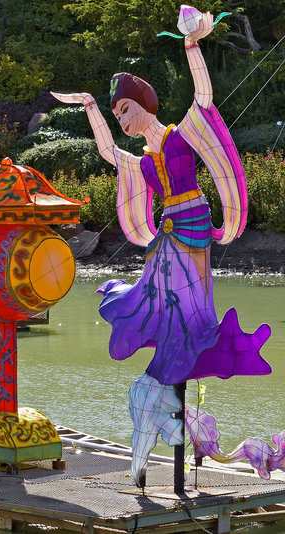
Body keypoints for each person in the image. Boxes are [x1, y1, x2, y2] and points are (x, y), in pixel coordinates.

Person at [52, 12, 271, 486]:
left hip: (193, 223)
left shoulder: (180, 134)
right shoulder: (145, 159)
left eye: (125, 110)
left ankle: (184, 360)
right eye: (117, 115)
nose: (123, 119)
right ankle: (168, 374)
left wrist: (193, 46)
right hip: (168, 232)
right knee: (159, 300)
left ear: (145, 104)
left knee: (190, 306)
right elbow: (110, 154)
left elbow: (205, 98)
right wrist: (90, 106)